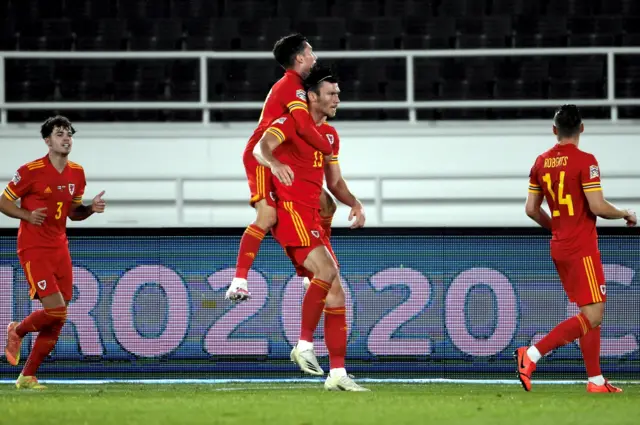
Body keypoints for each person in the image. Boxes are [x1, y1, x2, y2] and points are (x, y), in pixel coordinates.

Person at [253, 66, 368, 391]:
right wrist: (274, 163)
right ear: (312, 96)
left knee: (336, 293)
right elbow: (262, 148)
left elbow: (335, 182)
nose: (337, 99)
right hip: (291, 214)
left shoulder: (330, 136)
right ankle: (303, 344)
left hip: (312, 219)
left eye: (338, 94)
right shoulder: (289, 123)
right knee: (327, 270)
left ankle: (337, 375)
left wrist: (355, 204)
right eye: (331, 93)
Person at [515, 105, 636, 393]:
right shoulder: (586, 161)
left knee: (588, 312)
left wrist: (556, 228)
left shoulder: (541, 163)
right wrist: (625, 213)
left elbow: (531, 209)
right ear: (582, 128)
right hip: (581, 248)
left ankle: (595, 380)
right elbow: (597, 207)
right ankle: (531, 355)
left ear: (554, 130)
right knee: (593, 315)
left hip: (559, 246)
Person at [226, 33, 334, 303]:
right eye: (311, 52)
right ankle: (239, 280)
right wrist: (327, 147)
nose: (314, 57)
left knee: (320, 205)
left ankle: (304, 274)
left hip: (281, 153)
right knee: (268, 216)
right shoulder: (291, 85)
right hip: (264, 153)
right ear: (299, 58)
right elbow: (303, 125)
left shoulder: (296, 84)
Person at [2, 115, 106, 390]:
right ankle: (17, 330)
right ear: (47, 140)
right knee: (56, 311)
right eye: (60, 134)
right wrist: (26, 214)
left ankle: (27, 376)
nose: (66, 138)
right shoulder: (30, 170)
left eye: (69, 133)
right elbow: (3, 202)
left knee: (59, 316)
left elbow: (73, 213)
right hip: (34, 247)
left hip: (60, 248)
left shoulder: (77, 173)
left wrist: (89, 209)